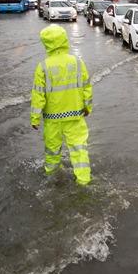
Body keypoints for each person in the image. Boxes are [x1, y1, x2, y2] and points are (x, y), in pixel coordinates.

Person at [30, 24, 93, 186]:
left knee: (52, 151)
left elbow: (38, 95)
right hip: (76, 116)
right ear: (64, 40)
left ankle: (51, 178)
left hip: (52, 119)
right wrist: (87, 107)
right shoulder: (77, 62)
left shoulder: (43, 66)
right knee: (79, 150)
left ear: (46, 44)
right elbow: (86, 87)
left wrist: (35, 118)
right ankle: (84, 180)